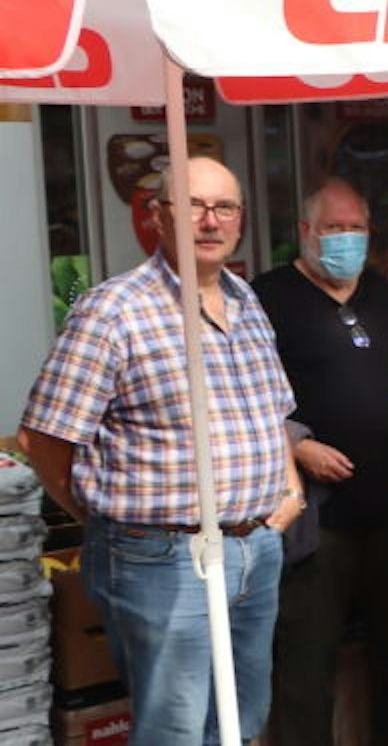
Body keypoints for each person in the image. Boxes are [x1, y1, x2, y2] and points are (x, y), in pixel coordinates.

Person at [18, 156, 305, 745]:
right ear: (158, 216)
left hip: (255, 547)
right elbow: (43, 436)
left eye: (224, 207)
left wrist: (289, 491)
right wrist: (98, 518)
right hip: (161, 556)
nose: (210, 221)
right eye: (192, 206)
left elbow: (272, 409)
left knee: (242, 720)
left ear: (241, 219)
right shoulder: (114, 309)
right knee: (175, 731)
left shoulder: (245, 299)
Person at [253, 178, 388, 746]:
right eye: (334, 228)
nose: (346, 239)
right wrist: (296, 445)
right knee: (307, 660)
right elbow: (240, 393)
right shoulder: (268, 296)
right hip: (313, 515)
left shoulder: (380, 293)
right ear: (305, 231)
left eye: (356, 228)